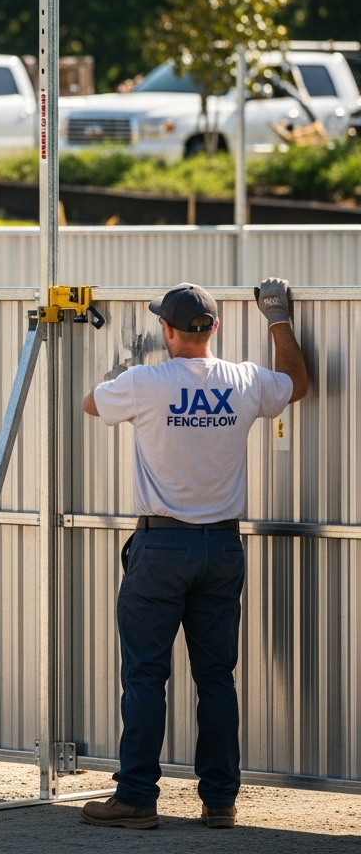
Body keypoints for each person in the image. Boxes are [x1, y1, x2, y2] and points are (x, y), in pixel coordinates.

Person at [80, 280, 308, 830]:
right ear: (215, 329)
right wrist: (278, 318)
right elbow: (296, 384)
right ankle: (220, 802)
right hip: (221, 548)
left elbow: (91, 402)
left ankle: (135, 797)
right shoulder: (246, 380)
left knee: (144, 675)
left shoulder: (144, 383)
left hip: (160, 548)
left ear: (167, 330)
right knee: (216, 678)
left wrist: (124, 377)